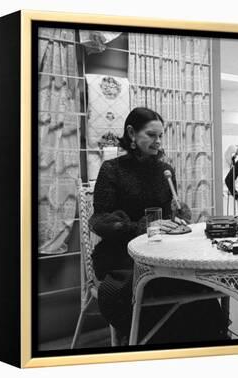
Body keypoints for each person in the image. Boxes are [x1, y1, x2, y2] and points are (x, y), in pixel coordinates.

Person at [90, 107, 228, 344]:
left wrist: (178, 214)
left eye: (160, 136)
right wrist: (142, 227)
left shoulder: (165, 170)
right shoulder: (112, 170)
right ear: (132, 133)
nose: (158, 141)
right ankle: (156, 342)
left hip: (159, 252)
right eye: (152, 135)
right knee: (144, 286)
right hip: (121, 255)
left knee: (197, 279)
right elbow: (100, 221)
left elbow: (166, 217)